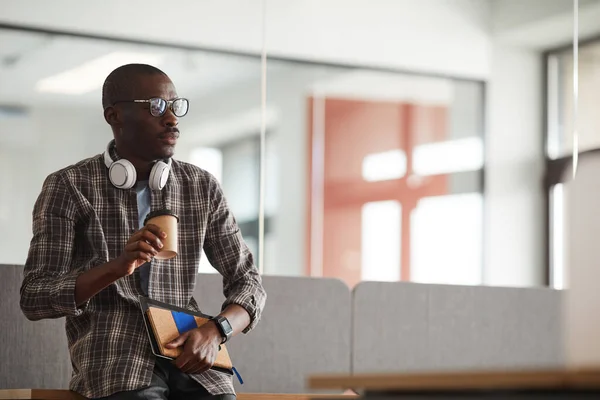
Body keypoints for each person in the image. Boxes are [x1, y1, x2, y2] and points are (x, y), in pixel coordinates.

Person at [20, 63, 266, 400]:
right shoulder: (69, 186)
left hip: (189, 348)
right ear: (115, 116)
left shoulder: (200, 186)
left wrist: (216, 331)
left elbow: (249, 283)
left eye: (175, 106)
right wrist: (115, 268)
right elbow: (34, 296)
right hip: (116, 353)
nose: (172, 119)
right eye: (157, 107)